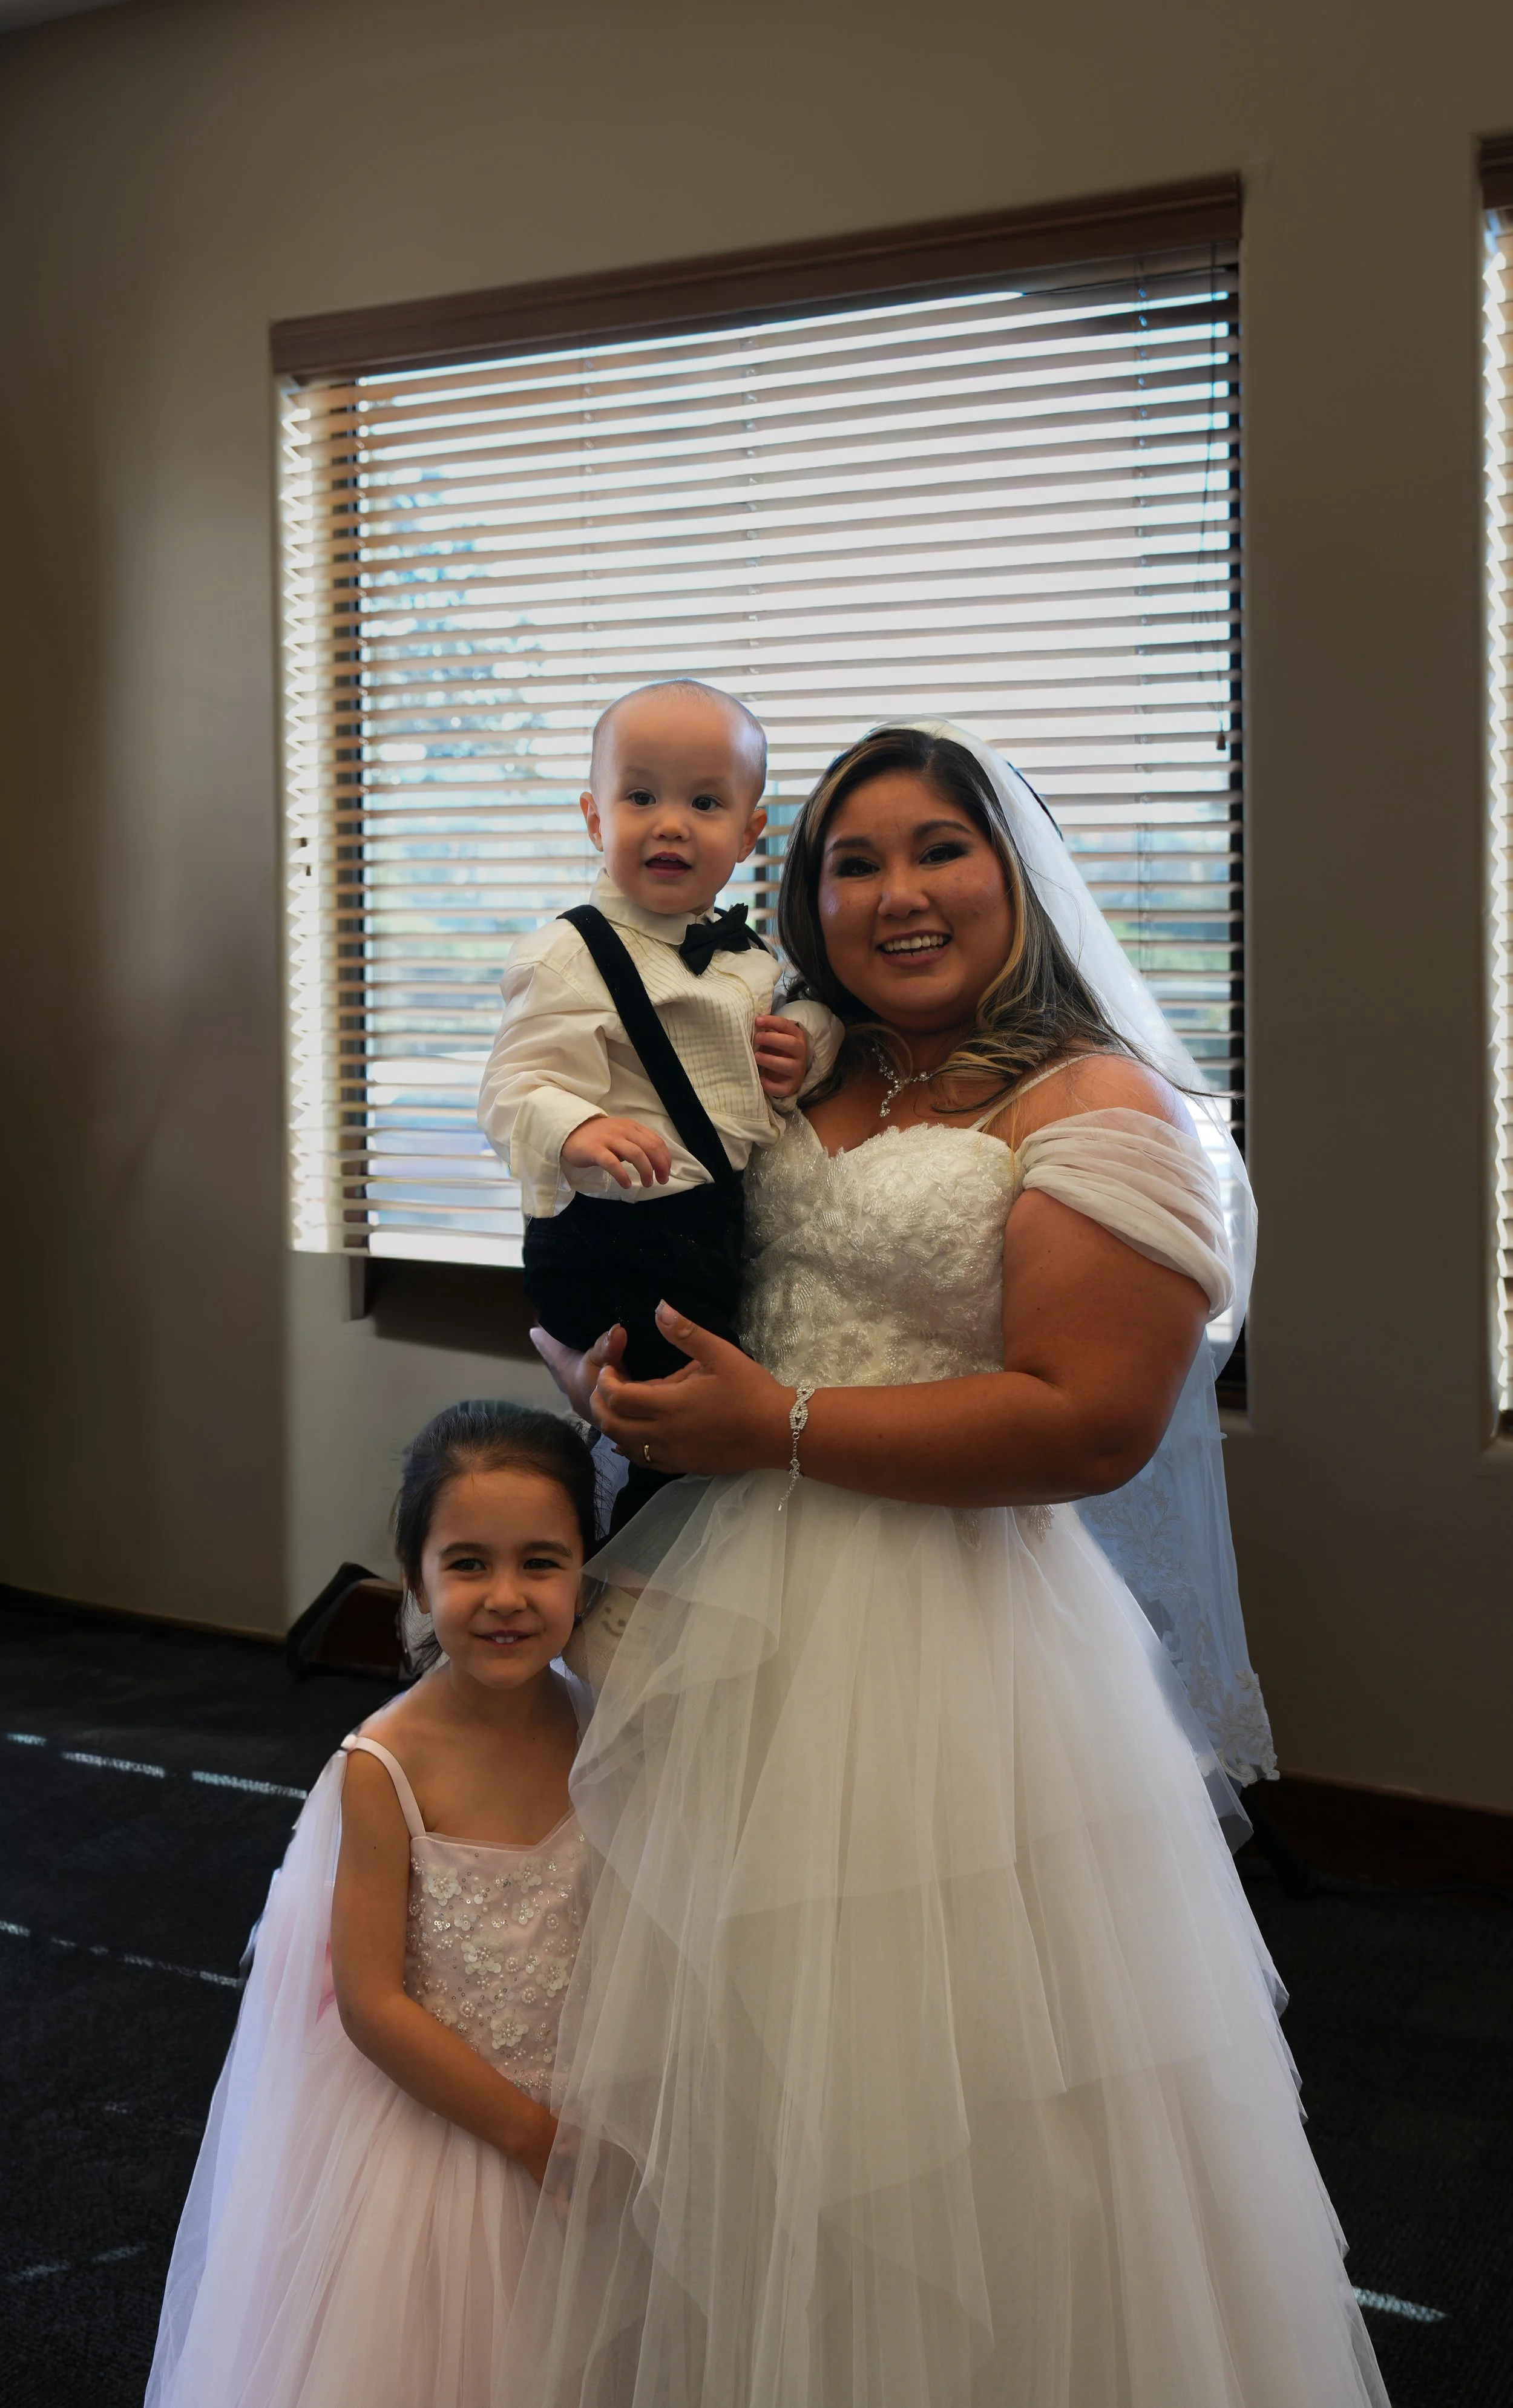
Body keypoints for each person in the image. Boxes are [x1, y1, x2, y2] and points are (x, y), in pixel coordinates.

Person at [513, 726, 1388, 2406]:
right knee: (720, 2061)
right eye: (853, 861)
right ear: (804, 887)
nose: (895, 893)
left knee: (965, 2091)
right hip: (725, 1620)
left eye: (938, 851)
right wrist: (599, 1376)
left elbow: (1085, 1426)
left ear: (1014, 874)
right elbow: (621, 1245)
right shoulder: (789, 1069)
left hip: (957, 1648)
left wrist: (770, 1423)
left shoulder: (1096, 1100)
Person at [145, 1402, 599, 2408]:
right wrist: (534, 2136)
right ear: (413, 1578)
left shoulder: (599, 1723)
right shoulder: (384, 1765)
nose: (507, 1597)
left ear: (585, 1569)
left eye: (542, 1561)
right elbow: (370, 2001)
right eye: (469, 1563)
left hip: (591, 2103)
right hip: (445, 2141)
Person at [479, 680, 841, 1526]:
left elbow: (808, 1011)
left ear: (750, 832)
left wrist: (810, 1043)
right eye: (640, 796)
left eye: (705, 801)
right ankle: (641, 1556)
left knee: (725, 1392)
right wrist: (578, 1128)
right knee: (672, 1420)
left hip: (715, 1217)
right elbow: (510, 1086)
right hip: (618, 1234)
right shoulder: (567, 955)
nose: (671, 822)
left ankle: (688, 1534)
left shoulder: (752, 956)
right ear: (595, 817)